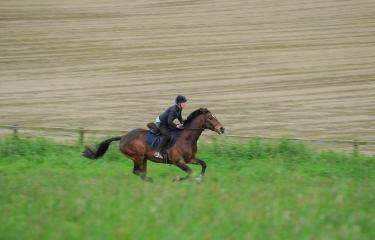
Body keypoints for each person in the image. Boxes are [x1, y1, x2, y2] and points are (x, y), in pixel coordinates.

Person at [154, 94, 188, 159]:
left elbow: (180, 118)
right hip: (161, 122)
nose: (185, 104)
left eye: (185, 102)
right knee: (167, 135)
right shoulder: (173, 110)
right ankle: (157, 152)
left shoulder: (179, 109)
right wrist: (177, 126)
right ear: (179, 103)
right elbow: (169, 122)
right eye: (184, 102)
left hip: (166, 122)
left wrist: (185, 124)